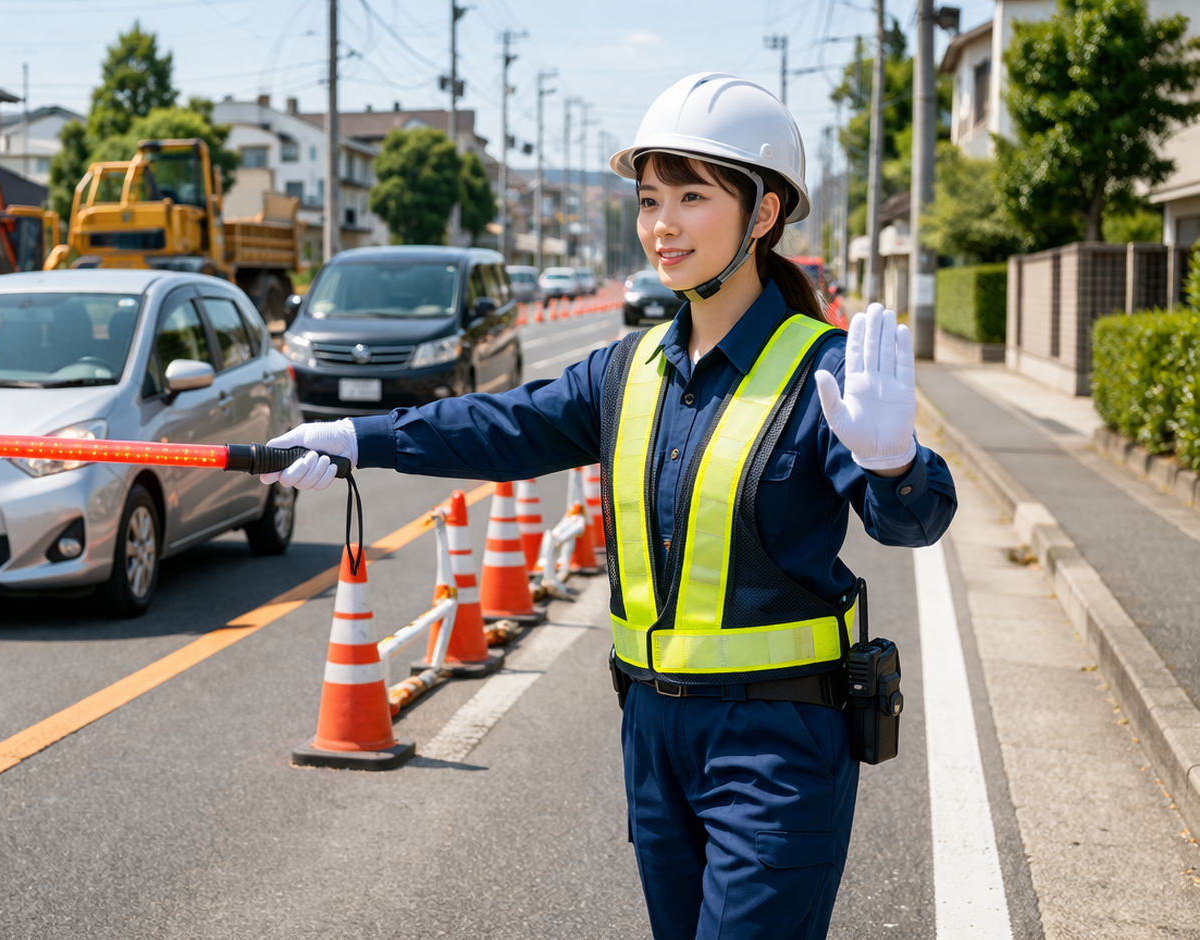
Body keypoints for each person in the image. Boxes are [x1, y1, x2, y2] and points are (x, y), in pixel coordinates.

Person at [260, 72, 955, 939]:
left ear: (764, 213)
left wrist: (894, 463)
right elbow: (497, 425)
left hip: (777, 744)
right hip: (653, 734)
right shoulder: (626, 372)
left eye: (691, 196)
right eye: (649, 198)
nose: (661, 225)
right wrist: (359, 440)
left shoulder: (825, 373)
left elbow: (912, 522)